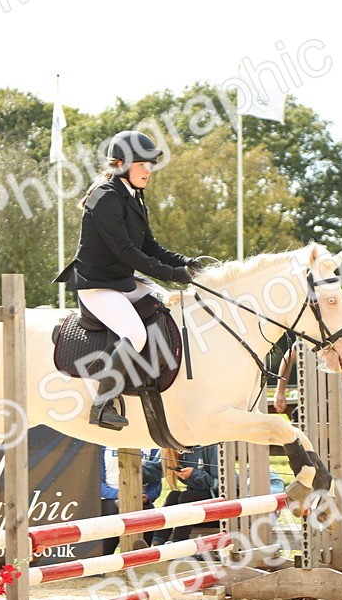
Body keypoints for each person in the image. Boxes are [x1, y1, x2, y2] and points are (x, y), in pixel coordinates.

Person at [53, 130, 203, 431]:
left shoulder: (133, 195)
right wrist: (174, 275)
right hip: (97, 286)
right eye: (142, 164)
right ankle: (102, 404)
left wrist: (185, 263)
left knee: (169, 304)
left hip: (121, 281)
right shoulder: (105, 196)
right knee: (134, 334)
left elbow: (149, 246)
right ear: (121, 164)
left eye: (151, 164)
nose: (149, 170)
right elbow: (126, 251)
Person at [149, 445, 219, 546]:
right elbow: (152, 468)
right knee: (173, 495)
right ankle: (156, 543)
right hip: (193, 510)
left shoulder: (212, 447)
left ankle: (179, 544)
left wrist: (194, 474)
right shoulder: (172, 451)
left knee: (187, 496)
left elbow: (220, 483)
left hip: (216, 510)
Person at [99, 447, 163, 555]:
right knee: (117, 510)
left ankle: (142, 557)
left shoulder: (152, 446)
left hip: (140, 498)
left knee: (148, 513)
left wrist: (148, 496)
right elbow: (97, 482)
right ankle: (104, 559)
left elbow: (156, 482)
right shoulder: (102, 447)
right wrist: (118, 494)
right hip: (110, 499)